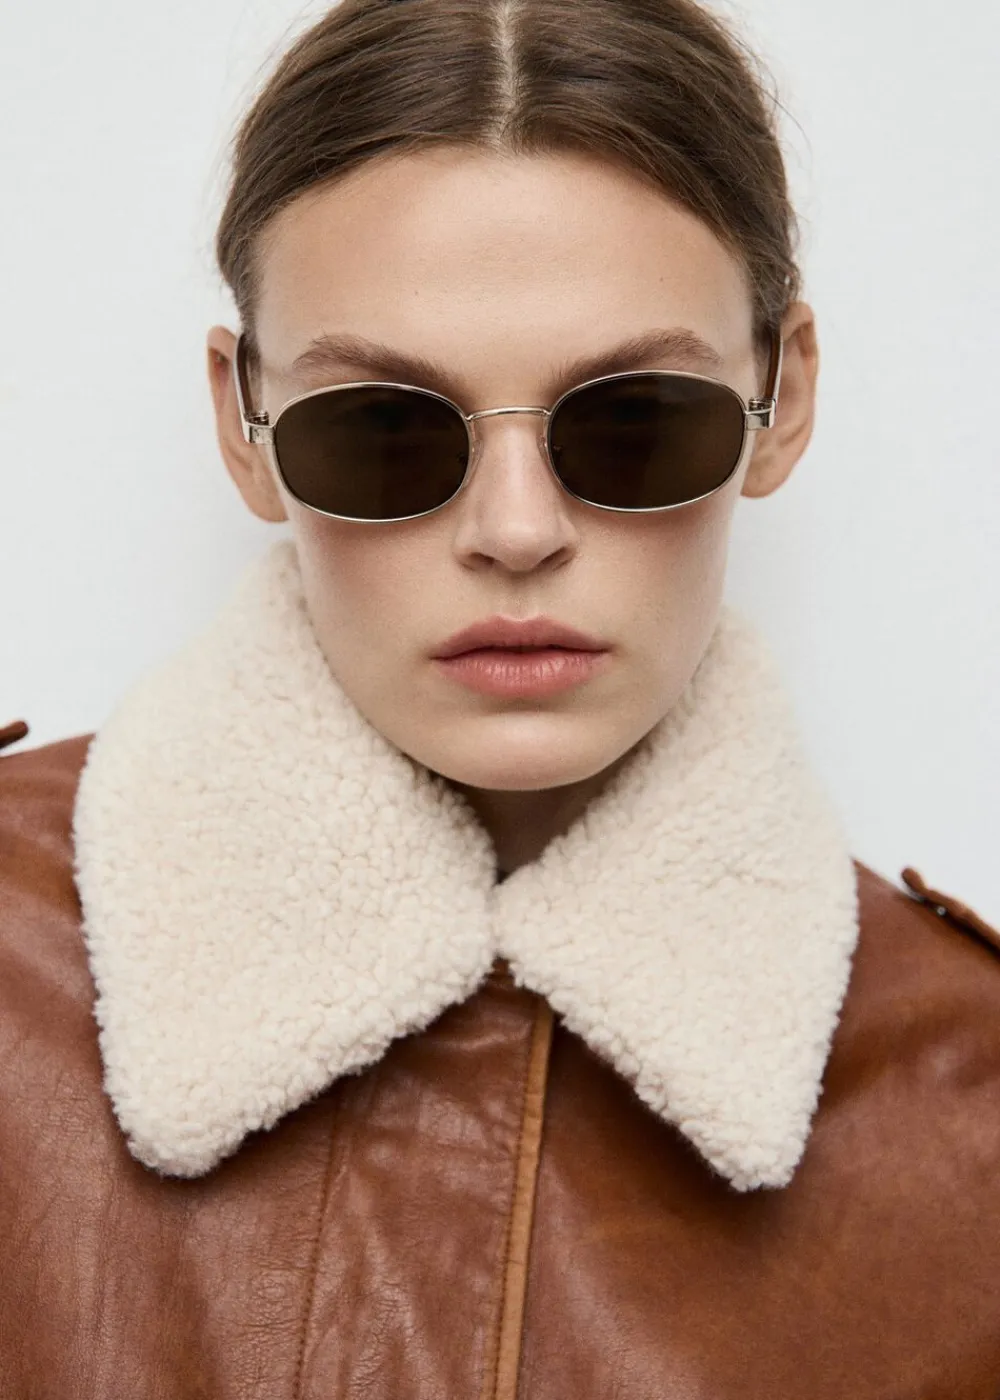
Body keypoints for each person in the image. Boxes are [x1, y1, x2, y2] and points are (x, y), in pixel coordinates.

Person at [1, 0, 997, 1394]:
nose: (516, 532)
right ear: (243, 425)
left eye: (635, 417)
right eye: (383, 427)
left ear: (786, 397)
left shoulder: (970, 1112)